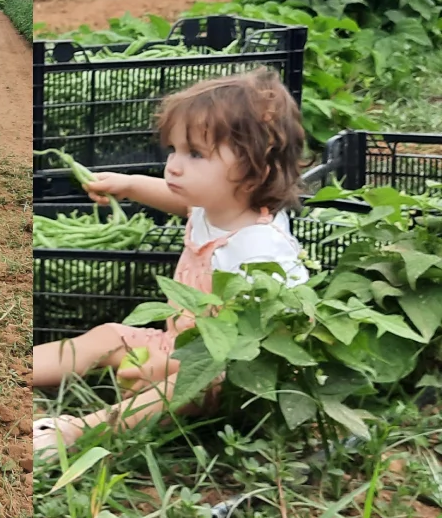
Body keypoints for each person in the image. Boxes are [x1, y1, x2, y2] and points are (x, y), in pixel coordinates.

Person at [32, 70, 309, 458]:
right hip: (180, 345)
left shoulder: (259, 248)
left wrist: (168, 368)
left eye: (195, 154)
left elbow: (269, 343)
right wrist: (129, 185)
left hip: (227, 373)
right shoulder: (215, 206)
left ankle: (73, 432)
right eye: (174, 150)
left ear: (254, 172)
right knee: (110, 335)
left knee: (181, 390)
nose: (174, 166)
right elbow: (183, 203)